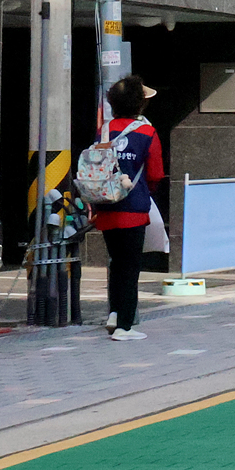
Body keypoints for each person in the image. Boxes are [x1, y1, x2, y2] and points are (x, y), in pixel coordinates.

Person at [95, 77, 163, 341]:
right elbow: (156, 173)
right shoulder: (147, 132)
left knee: (116, 261)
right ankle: (124, 327)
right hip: (133, 208)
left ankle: (114, 312)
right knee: (130, 266)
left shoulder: (104, 129)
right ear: (139, 104)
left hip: (106, 206)